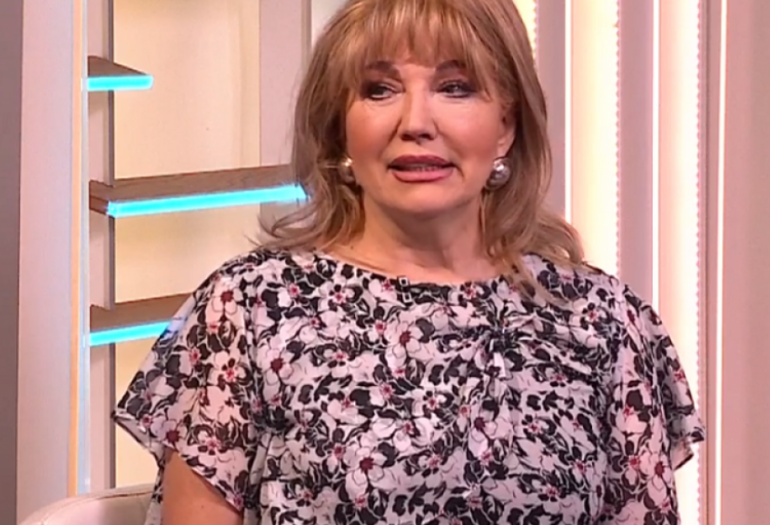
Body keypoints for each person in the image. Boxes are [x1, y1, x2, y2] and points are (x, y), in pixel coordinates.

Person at [113, 0, 705, 523]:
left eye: (456, 87)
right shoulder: (249, 309)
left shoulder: (601, 321)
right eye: (379, 89)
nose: (416, 123)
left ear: (507, 125)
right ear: (339, 130)